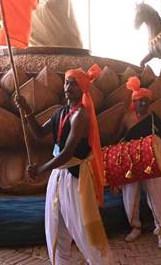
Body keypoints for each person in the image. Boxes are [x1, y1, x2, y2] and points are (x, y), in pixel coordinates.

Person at [15, 68, 112, 264]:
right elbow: (39, 133)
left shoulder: (81, 115)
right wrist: (27, 111)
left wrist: (40, 170)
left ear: (82, 88)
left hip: (75, 178)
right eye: (67, 82)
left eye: (74, 83)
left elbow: (68, 152)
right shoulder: (60, 112)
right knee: (56, 227)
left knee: (84, 229)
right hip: (58, 175)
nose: (68, 87)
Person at [119, 77, 161, 249]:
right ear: (134, 102)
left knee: (157, 197)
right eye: (139, 101)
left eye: (146, 101)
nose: (143, 104)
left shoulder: (154, 118)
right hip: (131, 163)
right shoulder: (127, 118)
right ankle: (136, 227)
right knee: (130, 196)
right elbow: (120, 138)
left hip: (152, 162)